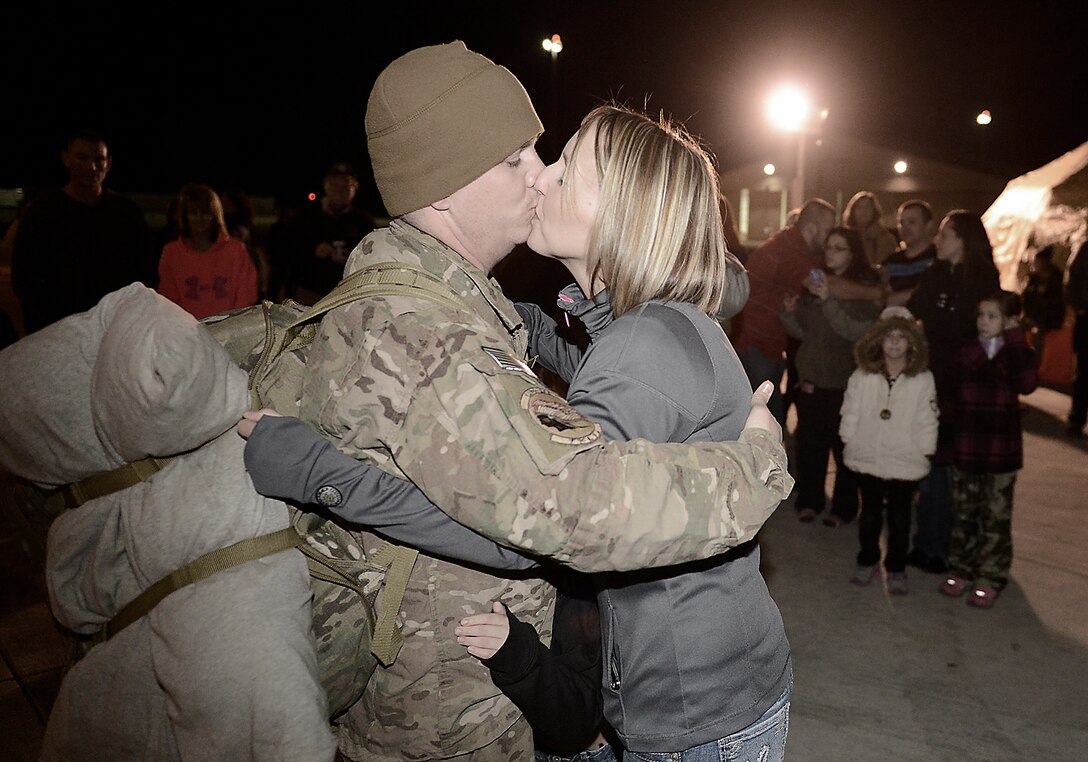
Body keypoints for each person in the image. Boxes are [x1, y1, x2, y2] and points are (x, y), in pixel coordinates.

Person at [276, 41, 792, 762]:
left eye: (557, 163)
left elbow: (560, 516)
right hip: (662, 697)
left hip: (686, 711)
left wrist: (322, 475)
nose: (541, 175)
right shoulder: (598, 327)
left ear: (623, 212)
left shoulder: (643, 342)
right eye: (519, 158)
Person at [732, 198, 883, 427]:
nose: (829, 238)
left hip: (765, 345)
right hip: (756, 346)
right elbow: (825, 284)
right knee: (766, 422)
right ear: (812, 227)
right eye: (827, 230)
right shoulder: (789, 252)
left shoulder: (794, 246)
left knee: (769, 418)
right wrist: (875, 293)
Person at [906, 210, 1001, 574]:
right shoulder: (935, 273)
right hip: (932, 377)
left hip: (966, 384)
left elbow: (984, 334)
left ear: (963, 239)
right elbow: (917, 310)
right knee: (931, 459)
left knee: (951, 465)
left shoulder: (984, 281)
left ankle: (947, 547)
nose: (938, 241)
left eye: (945, 234)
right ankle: (928, 542)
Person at [939, 290, 1038, 608]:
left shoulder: (1016, 352)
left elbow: (1028, 384)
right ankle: (962, 568)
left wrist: (1015, 340)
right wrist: (946, 443)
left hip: (1000, 449)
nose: (983, 322)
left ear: (1009, 321)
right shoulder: (965, 351)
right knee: (964, 513)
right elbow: (950, 399)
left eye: (992, 316)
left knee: (995, 516)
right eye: (981, 315)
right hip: (967, 445)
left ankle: (991, 575)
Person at [781, 226, 882, 526]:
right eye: (829, 247)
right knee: (810, 445)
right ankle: (810, 500)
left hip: (844, 381)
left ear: (853, 254)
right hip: (812, 378)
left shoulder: (861, 291)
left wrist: (829, 301)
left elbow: (855, 331)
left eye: (839, 248)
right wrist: (788, 314)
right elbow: (805, 332)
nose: (831, 253)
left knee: (843, 448)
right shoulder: (815, 285)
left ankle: (843, 507)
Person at [11, 129, 157, 333]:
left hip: (115, 328)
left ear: (109, 163)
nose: (92, 166)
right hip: (59, 330)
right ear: (66, 159)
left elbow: (146, 271)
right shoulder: (42, 211)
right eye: (82, 157)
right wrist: (54, 321)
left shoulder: (126, 213)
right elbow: (24, 278)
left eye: (99, 159)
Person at [840, 306, 938, 594]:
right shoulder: (863, 376)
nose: (895, 343)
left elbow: (927, 417)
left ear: (913, 343)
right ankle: (868, 559)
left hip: (904, 458)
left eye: (902, 337)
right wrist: (848, 436)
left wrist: (926, 449)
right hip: (868, 454)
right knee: (869, 513)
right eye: (889, 337)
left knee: (900, 517)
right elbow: (850, 409)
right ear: (878, 341)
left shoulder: (922, 379)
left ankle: (896, 567)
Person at [156, 183, 258, 319]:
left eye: (205, 212)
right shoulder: (172, 253)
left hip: (228, 331)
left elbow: (246, 293)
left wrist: (231, 325)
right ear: (185, 216)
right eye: (194, 212)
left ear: (215, 215)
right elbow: (167, 297)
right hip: (186, 331)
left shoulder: (235, 250)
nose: (200, 219)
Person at [285, 162, 375, 305]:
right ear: (325, 186)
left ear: (355, 189)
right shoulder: (305, 216)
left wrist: (350, 260)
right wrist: (313, 250)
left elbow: (373, 259)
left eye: (347, 186)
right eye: (335, 185)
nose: (340, 190)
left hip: (347, 296)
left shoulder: (363, 222)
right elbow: (287, 251)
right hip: (309, 293)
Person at [883, 199, 937, 308]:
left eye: (912, 222)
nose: (905, 227)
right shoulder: (891, 262)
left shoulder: (939, 258)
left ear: (928, 225)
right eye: (901, 223)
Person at [1066, 240, 1088, 437]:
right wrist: (1079, 306)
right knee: (1083, 370)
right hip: (1087, 317)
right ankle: (1077, 417)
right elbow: (1072, 279)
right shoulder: (1085, 249)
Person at [844, 190, 899, 266]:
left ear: (874, 211)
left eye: (867, 206)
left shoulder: (886, 239)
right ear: (853, 211)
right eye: (859, 207)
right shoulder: (845, 238)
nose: (863, 211)